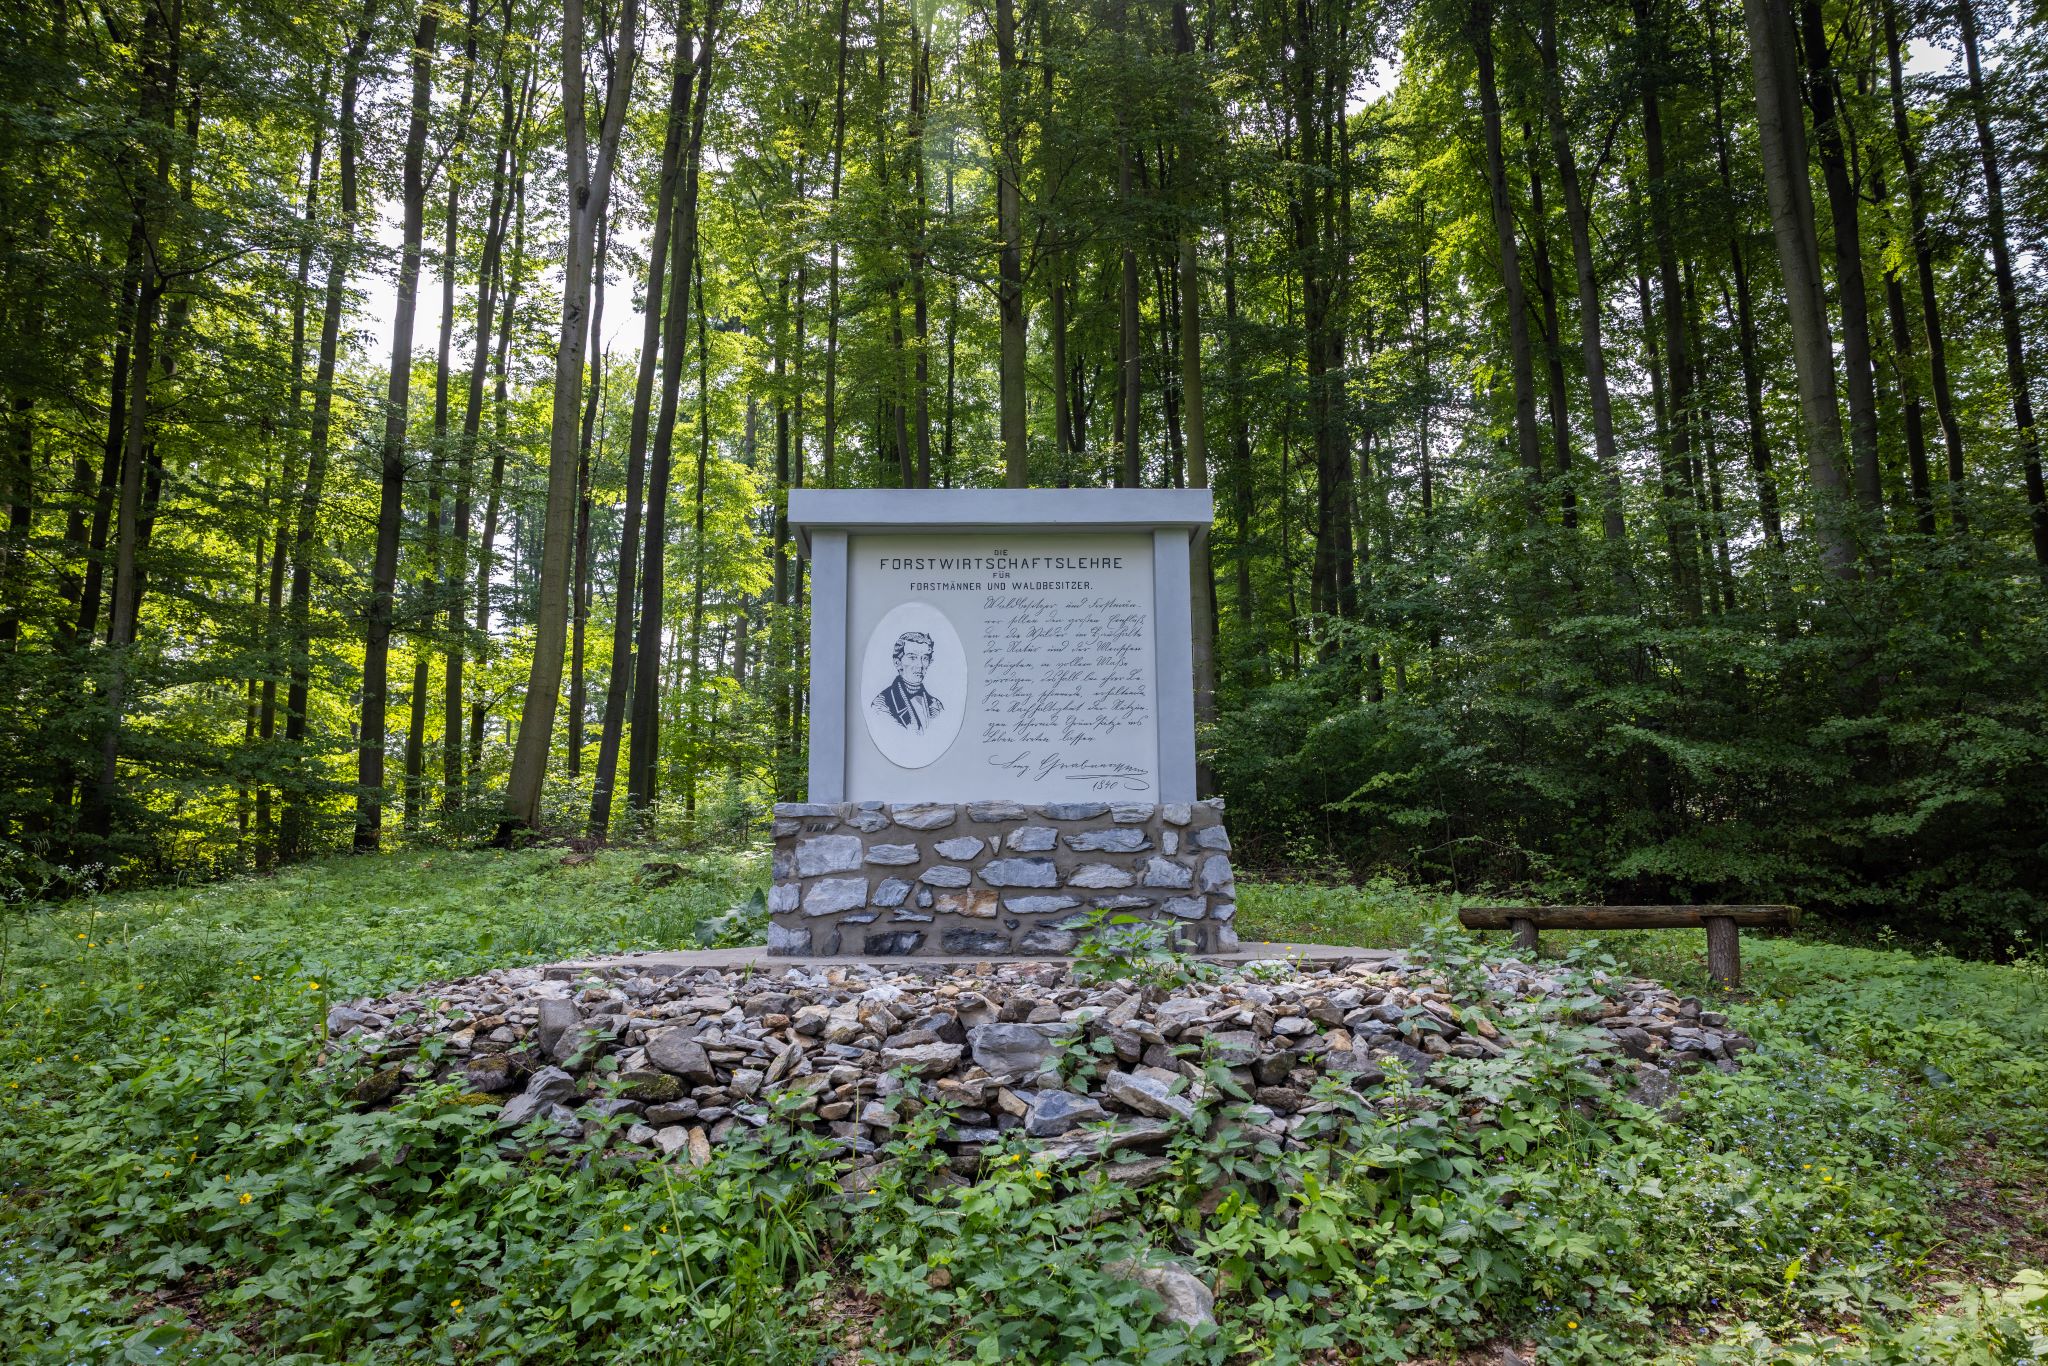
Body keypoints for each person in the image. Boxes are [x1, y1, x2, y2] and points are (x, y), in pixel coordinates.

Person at [870, 630, 944, 733]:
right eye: (912, 657)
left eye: (925, 658)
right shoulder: (881, 705)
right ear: (897, 663)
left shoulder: (937, 706)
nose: (920, 665)